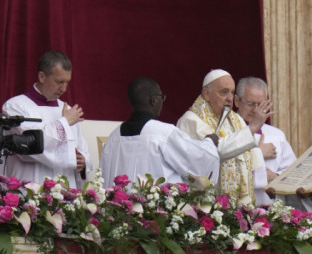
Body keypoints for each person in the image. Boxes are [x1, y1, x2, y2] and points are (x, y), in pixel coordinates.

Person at [100, 77, 220, 186]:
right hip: (156, 209)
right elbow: (197, 159)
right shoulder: (163, 133)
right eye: (161, 97)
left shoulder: (113, 137)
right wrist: (209, 142)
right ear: (154, 100)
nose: (163, 101)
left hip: (120, 208)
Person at [177, 69, 272, 202]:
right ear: (206, 93)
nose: (229, 98)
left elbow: (254, 165)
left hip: (240, 203)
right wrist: (253, 128)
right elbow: (215, 151)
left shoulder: (236, 119)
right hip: (208, 204)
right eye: (224, 92)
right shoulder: (192, 120)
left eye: (232, 92)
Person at [2, 50, 92, 187]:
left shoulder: (67, 110)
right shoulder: (15, 106)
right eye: (59, 82)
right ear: (42, 76)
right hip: (30, 188)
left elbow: (81, 149)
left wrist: (83, 161)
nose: (64, 89)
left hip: (64, 193)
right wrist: (64, 123)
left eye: (67, 82)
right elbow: (28, 149)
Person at [234, 77, 296, 205]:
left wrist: (276, 177)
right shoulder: (227, 131)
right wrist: (258, 153)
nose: (256, 110)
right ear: (236, 101)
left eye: (261, 104)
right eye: (250, 104)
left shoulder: (276, 135)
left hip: (272, 208)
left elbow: (293, 172)